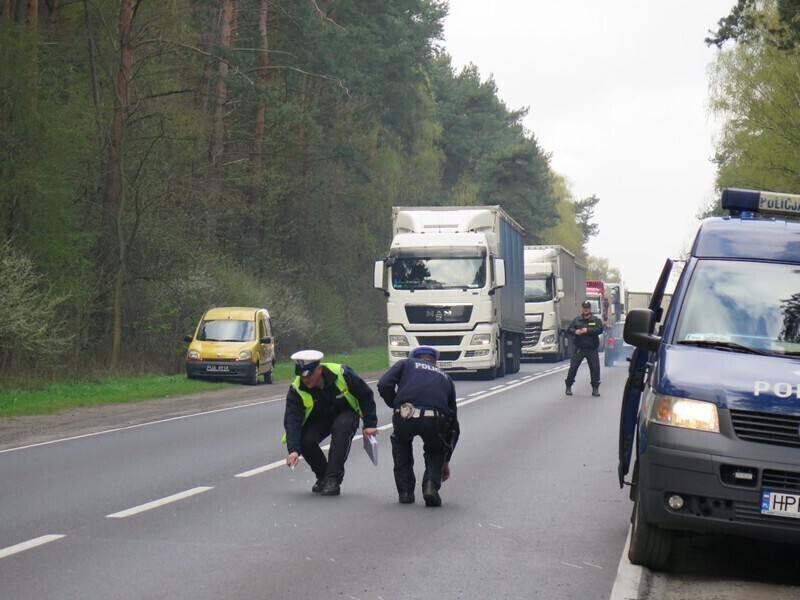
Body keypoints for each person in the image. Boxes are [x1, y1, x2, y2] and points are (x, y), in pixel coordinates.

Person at [283, 350, 378, 496]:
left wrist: (370, 423)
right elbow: (292, 420)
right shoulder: (297, 389)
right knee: (305, 441)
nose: (305, 379)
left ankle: (333, 480)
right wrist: (293, 450)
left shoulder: (342, 373)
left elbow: (365, 395)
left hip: (346, 412)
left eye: (309, 375)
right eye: (301, 375)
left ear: (319, 369)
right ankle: (322, 476)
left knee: (341, 428)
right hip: (320, 418)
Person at [377, 346, 460, 507]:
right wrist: (445, 461)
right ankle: (430, 485)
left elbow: (384, 383)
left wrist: (395, 404)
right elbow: (453, 423)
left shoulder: (406, 364)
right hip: (435, 419)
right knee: (435, 450)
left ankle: (406, 493)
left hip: (405, 415)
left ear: (414, 357)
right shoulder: (446, 377)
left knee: (401, 443)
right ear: (435, 362)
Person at [565, 301, 604, 397]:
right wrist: (575, 331)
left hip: (591, 348)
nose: (585, 309)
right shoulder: (577, 320)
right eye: (584, 307)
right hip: (579, 348)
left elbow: (600, 329)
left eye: (587, 307)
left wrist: (588, 330)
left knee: (595, 369)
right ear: (582, 309)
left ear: (590, 309)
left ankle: (595, 389)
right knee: (573, 368)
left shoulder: (595, 320)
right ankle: (568, 386)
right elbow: (569, 330)